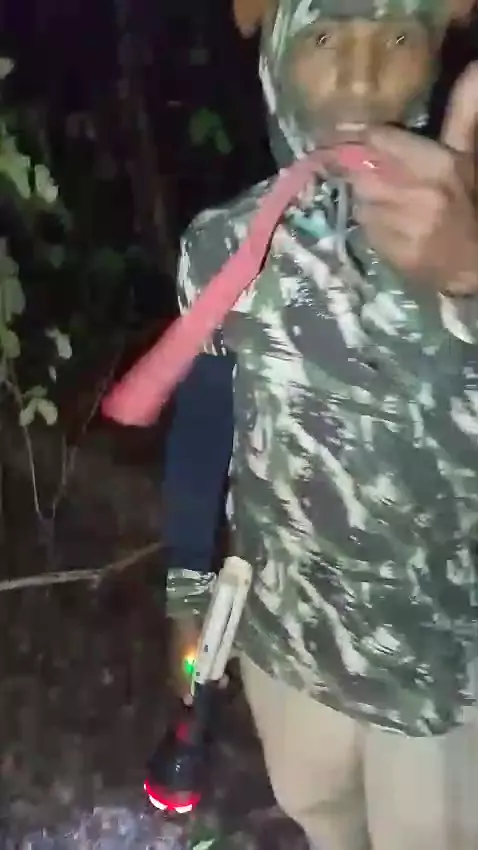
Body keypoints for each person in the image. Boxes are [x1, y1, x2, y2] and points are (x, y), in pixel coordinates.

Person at [162, 1, 478, 847]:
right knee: (321, 817)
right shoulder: (225, 246)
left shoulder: (467, 225)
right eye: (326, 37)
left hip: (439, 673)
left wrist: (466, 275)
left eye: (399, 38)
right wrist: (188, 593)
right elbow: (204, 422)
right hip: (286, 645)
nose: (363, 77)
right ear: (274, 53)